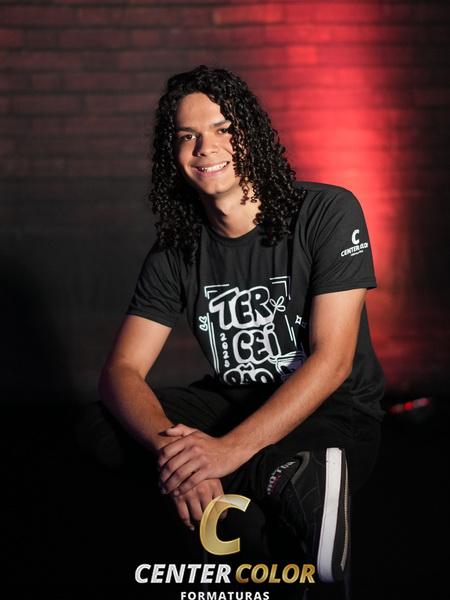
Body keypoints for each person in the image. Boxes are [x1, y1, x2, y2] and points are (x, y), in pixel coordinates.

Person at [98, 65, 385, 586]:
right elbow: (121, 370)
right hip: (237, 399)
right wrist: (179, 458)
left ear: (250, 134)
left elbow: (333, 361)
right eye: (187, 136)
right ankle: (271, 474)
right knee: (102, 426)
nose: (205, 147)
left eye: (223, 128)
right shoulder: (176, 250)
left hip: (330, 406)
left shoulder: (327, 211)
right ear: (172, 153)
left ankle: (286, 488)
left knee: (271, 515)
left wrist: (225, 450)